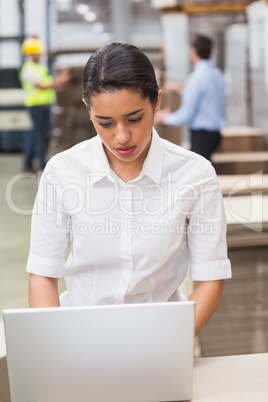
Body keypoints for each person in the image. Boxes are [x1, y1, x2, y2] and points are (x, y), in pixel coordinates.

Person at [26, 43, 231, 336]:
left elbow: (210, 277)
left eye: (135, 119)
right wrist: (59, 348)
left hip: (163, 337)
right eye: (105, 123)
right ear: (88, 109)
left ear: (157, 102)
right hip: (80, 337)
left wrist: (169, 344)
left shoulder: (195, 175)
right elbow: (43, 275)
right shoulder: (62, 172)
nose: (121, 137)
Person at [155, 34, 226, 161]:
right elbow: (207, 99)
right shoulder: (217, 74)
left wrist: (164, 118)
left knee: (198, 176)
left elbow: (185, 115)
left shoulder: (196, 78)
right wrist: (181, 92)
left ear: (193, 51)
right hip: (215, 133)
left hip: (202, 136)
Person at [19, 37, 70, 172]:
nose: (40, 54)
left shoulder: (39, 67)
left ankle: (27, 164)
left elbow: (46, 81)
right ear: (31, 53)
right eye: (37, 52)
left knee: (36, 134)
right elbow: (41, 86)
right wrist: (60, 80)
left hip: (44, 105)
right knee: (41, 136)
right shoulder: (28, 69)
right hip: (36, 106)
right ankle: (42, 165)